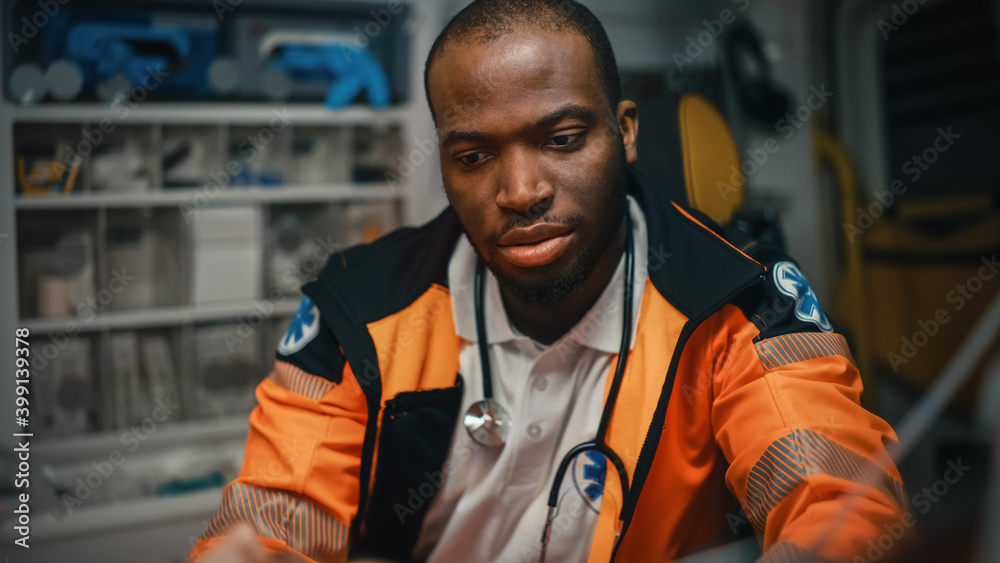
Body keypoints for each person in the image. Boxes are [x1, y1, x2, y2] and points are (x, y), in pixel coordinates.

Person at [192, 1, 908, 561]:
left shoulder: (739, 301)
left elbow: (837, 502)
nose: (522, 190)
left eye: (562, 140)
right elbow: (275, 520)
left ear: (625, 133)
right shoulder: (359, 309)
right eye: (473, 155)